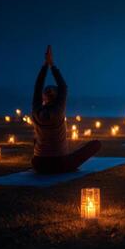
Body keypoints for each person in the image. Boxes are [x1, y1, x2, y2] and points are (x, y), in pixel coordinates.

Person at [31, 46, 101, 174]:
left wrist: (45, 65)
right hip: (59, 164)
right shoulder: (58, 110)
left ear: (43, 98)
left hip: (38, 163)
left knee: (37, 139)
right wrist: (52, 64)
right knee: (96, 144)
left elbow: (37, 86)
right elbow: (63, 87)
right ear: (58, 98)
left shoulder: (36, 110)